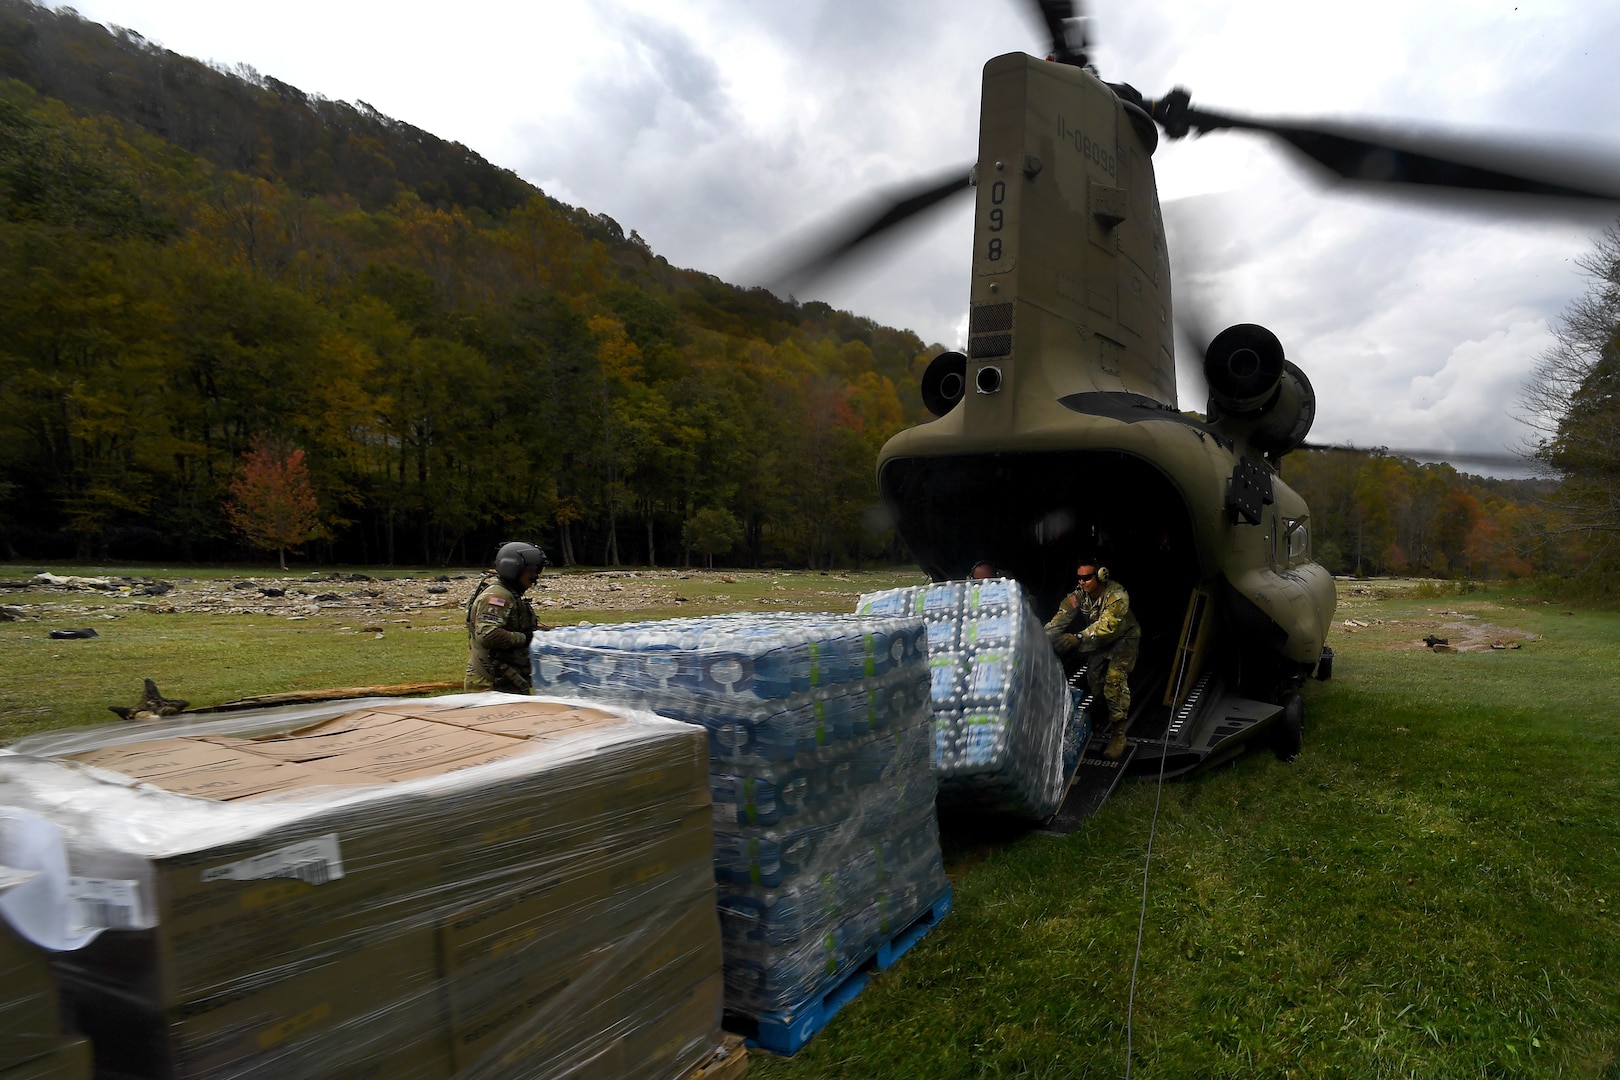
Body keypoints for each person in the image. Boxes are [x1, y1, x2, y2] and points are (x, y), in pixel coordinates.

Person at [1045, 557, 1140, 759]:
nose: (1082, 582)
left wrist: (1078, 637)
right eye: (1079, 578)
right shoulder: (1079, 596)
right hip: (1098, 642)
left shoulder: (1117, 595)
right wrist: (1040, 640)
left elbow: (1108, 625)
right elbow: (1059, 620)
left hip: (1123, 639)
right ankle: (1105, 715)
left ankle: (1118, 735)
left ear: (1100, 575)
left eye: (1087, 578)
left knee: (1113, 683)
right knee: (1095, 682)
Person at [465, 541, 547, 693]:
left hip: (506, 678)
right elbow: (489, 635)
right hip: (491, 682)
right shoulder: (498, 596)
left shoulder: (510, 594)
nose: (535, 576)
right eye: (531, 570)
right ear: (513, 568)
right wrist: (526, 638)